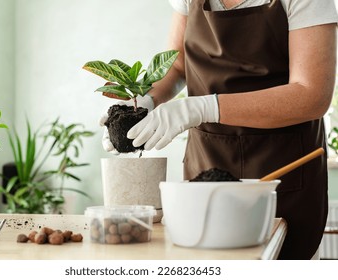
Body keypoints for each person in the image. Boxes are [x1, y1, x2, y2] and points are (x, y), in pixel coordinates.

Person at [101, 0, 338, 259]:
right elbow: (177, 65)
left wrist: (205, 107)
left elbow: (311, 95)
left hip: (283, 170)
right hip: (208, 161)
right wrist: (146, 100)